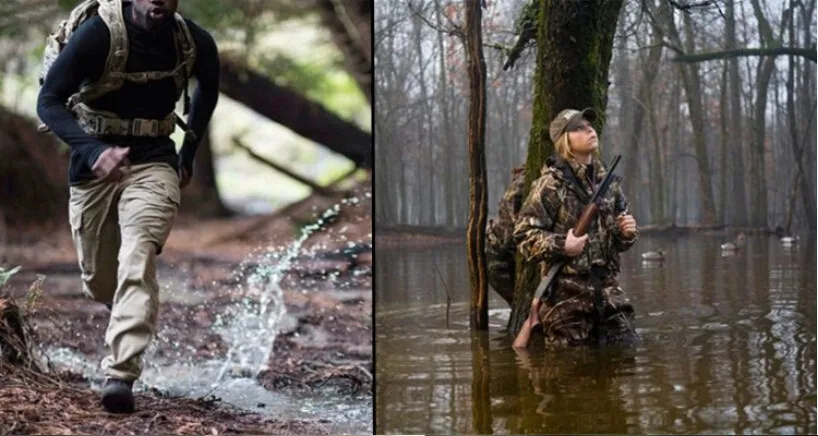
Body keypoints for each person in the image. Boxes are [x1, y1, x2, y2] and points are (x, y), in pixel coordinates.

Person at [37, 0, 219, 413]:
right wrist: (94, 150)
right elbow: (48, 101)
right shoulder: (97, 35)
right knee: (101, 281)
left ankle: (120, 374)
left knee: (137, 254)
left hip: (155, 159)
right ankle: (125, 309)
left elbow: (207, 87)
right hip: (91, 164)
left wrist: (187, 154)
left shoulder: (194, 41)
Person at [511, 108, 639, 349]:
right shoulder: (549, 185)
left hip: (608, 290)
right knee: (569, 369)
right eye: (578, 127)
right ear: (564, 140)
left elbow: (620, 242)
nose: (589, 129)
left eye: (589, 125)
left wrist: (628, 232)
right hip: (566, 295)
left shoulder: (608, 184)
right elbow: (522, 235)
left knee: (627, 354)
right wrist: (562, 245)